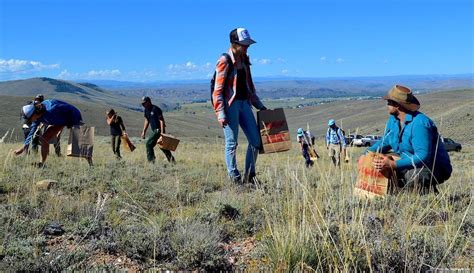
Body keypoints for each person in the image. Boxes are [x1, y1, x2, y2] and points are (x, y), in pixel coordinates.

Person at [368, 85, 452, 194]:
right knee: (379, 166)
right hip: (408, 164)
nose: (387, 105)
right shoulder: (393, 121)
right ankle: (402, 191)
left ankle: (426, 192)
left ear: (397, 105)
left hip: (431, 168)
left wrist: (393, 165)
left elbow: (422, 157)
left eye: (389, 102)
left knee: (413, 175)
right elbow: (386, 141)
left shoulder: (419, 124)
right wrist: (367, 154)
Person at [211, 27, 267, 184]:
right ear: (234, 43)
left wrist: (259, 105)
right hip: (231, 106)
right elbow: (218, 90)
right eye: (244, 44)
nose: (247, 47)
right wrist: (220, 113)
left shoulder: (244, 60)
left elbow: (249, 87)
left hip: (245, 104)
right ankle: (234, 178)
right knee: (231, 143)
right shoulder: (224, 60)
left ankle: (249, 175)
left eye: (248, 44)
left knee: (256, 142)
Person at [14, 99, 83, 167]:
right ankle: (42, 163)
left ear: (34, 114)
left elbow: (70, 110)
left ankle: (90, 163)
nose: (29, 121)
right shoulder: (36, 117)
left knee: (80, 142)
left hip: (73, 116)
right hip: (59, 121)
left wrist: (72, 123)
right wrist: (23, 148)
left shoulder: (52, 109)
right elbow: (32, 133)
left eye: (29, 119)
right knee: (44, 139)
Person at [141, 96, 175, 163]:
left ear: (149, 101)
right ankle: (172, 161)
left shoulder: (156, 109)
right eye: (142, 104)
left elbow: (161, 121)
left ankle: (151, 161)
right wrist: (143, 131)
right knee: (162, 146)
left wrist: (162, 133)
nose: (143, 105)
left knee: (148, 144)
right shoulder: (146, 110)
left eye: (144, 103)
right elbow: (147, 120)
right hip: (154, 130)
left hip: (158, 130)